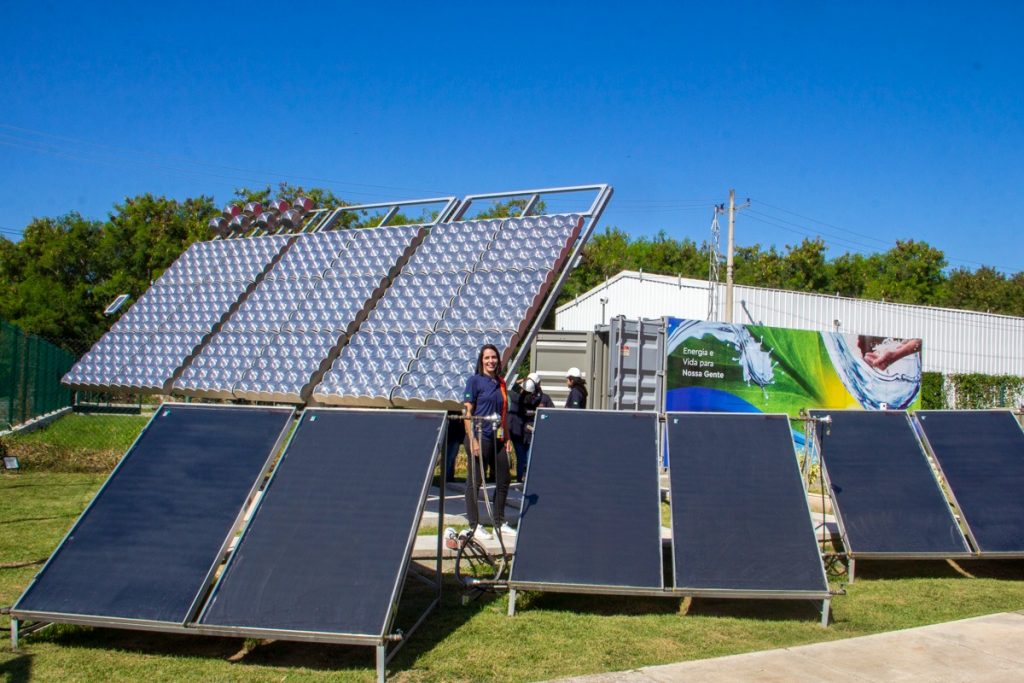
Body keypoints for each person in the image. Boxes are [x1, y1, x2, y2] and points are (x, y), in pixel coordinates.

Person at [463, 344, 513, 539]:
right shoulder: (474, 381)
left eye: (494, 357)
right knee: (475, 481)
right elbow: (467, 412)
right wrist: (472, 439)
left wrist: (507, 437)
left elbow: (503, 413)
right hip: (479, 437)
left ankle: (499, 523)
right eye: (487, 358)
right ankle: (474, 525)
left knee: (504, 479)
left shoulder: (501, 382)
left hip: (497, 437)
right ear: (481, 360)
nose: (491, 361)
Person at [508, 372, 553, 483]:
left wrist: (522, 380)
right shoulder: (539, 398)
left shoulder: (517, 398)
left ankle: (522, 479)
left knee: (522, 457)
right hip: (526, 431)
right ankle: (527, 479)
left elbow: (510, 387)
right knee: (527, 457)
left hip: (521, 432)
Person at [443, 413, 466, 484]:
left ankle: (448, 478)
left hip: (455, 434)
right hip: (453, 434)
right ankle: (448, 478)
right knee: (450, 457)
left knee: (450, 457)